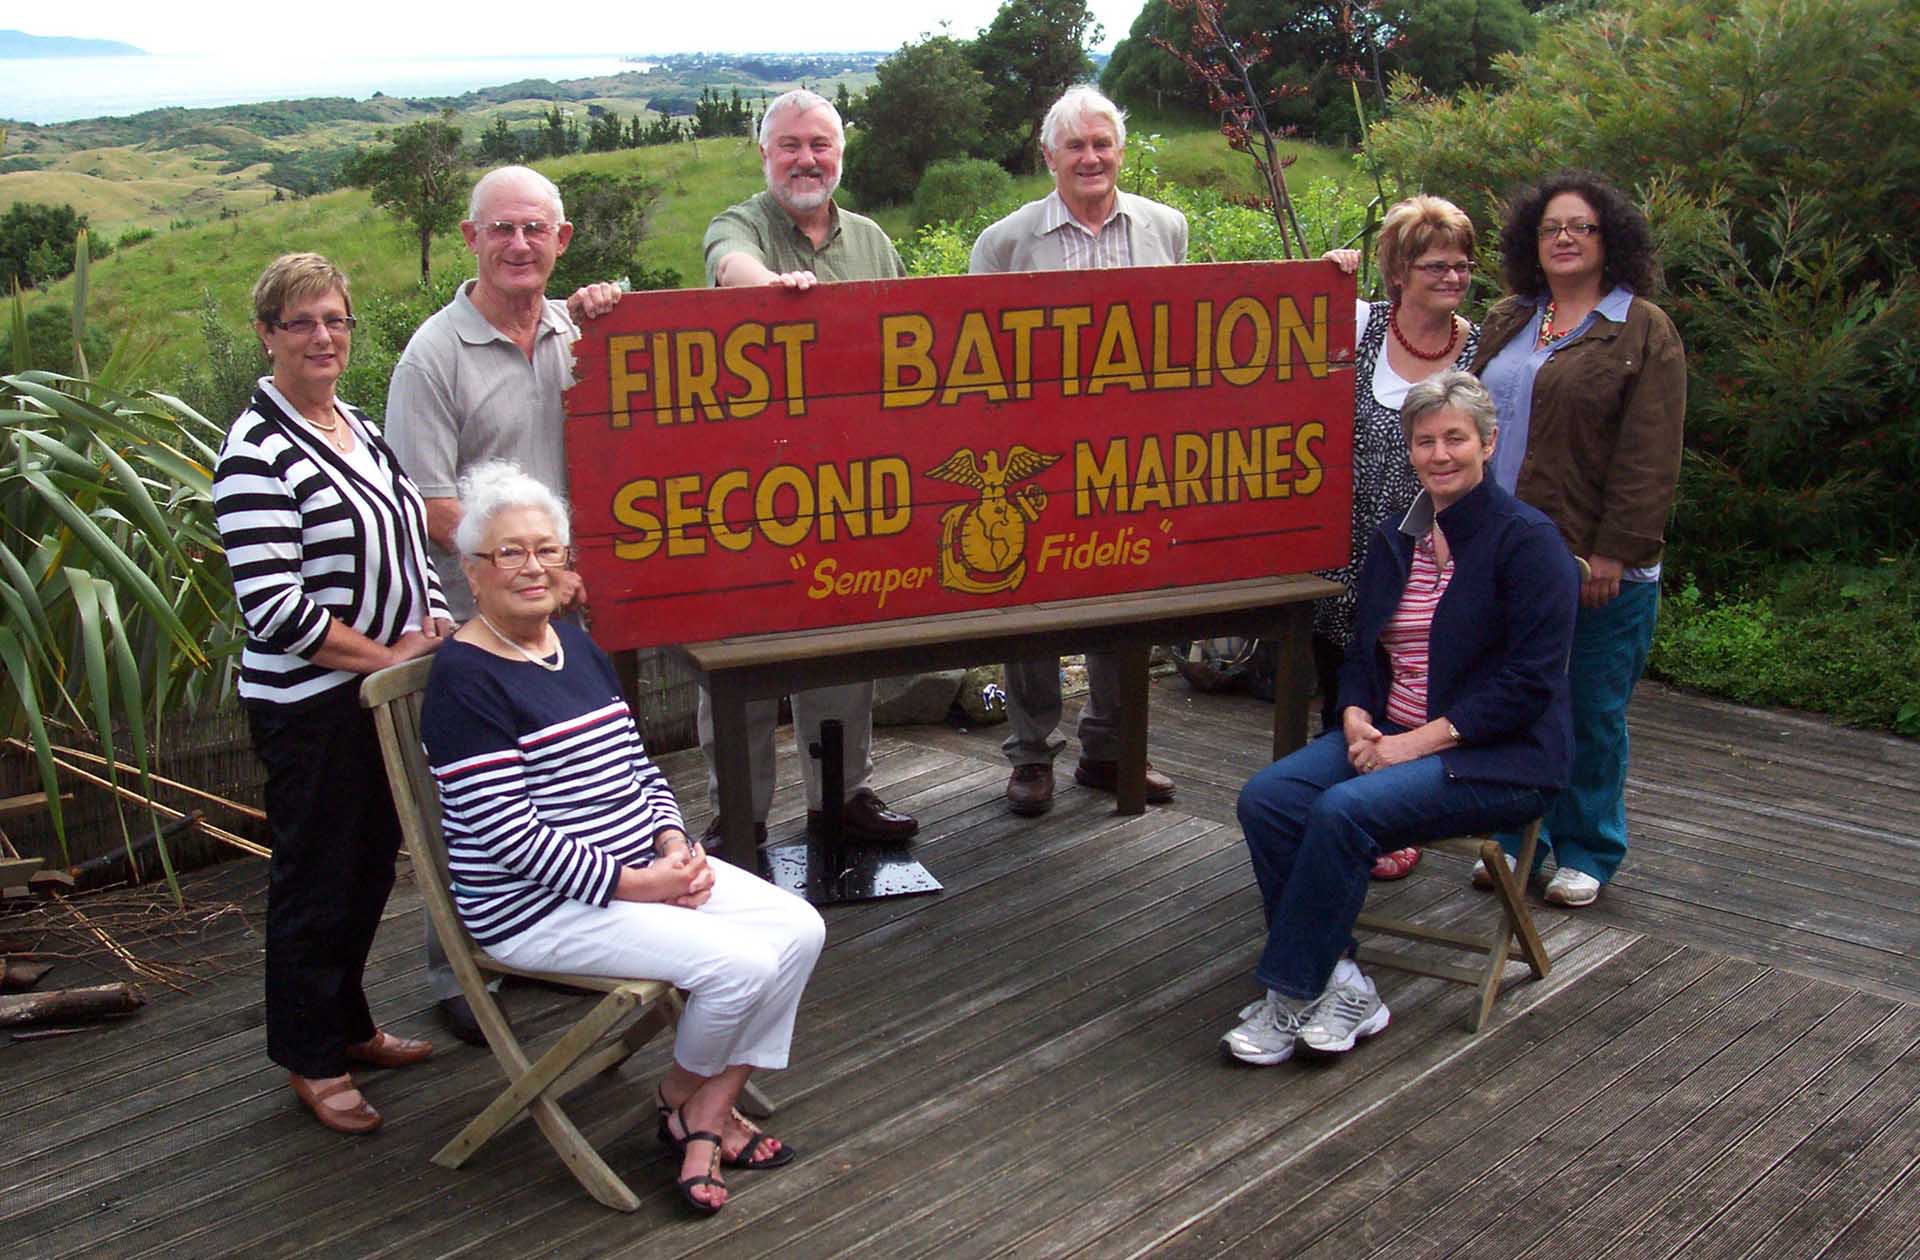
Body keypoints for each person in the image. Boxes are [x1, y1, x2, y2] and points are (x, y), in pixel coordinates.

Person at [420, 462, 824, 1216]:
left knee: (800, 930)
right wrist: (639, 886)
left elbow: (638, 767)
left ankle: (696, 1105)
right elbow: (508, 834)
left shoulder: (575, 647)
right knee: (740, 966)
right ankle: (690, 1110)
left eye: (547, 549)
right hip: (538, 908)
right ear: (472, 572)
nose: (533, 567)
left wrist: (671, 841)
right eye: (509, 552)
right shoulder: (464, 681)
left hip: (640, 870)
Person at [1222, 371, 1577, 1066]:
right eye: (1425, 441)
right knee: (1269, 798)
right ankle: (1343, 982)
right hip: (1388, 734)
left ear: (1488, 443)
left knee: (1344, 812)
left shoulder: (1528, 543)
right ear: (1409, 449)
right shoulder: (1396, 538)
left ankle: (1291, 993)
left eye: (1455, 438)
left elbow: (1529, 684)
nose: (1439, 455)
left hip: (1497, 757)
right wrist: (1355, 714)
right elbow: (1362, 650)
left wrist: (1412, 745)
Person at [213, 252, 453, 1133]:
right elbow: (276, 609)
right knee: (315, 877)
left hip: (377, 696)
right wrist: (388, 657)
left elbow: (408, 538)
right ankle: (310, 1057)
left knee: (367, 867)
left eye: (336, 320)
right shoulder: (255, 452)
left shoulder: (356, 424)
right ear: (267, 335)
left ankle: (348, 1025)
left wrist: (432, 616)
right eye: (302, 322)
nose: (323, 337)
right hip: (310, 708)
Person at [386, 164, 622, 1044]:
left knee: (568, 784)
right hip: (478, 622)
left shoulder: (574, 333)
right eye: (501, 229)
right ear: (470, 239)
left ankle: (561, 940)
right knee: (471, 795)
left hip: (570, 611)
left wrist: (614, 308)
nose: (518, 245)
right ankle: (460, 969)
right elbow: (430, 503)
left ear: (562, 240)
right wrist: (534, 572)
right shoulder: (432, 356)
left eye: (535, 229)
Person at [699, 88, 918, 847]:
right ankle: (741, 813)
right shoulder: (740, 224)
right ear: (765, 154)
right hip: (750, 484)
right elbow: (730, 267)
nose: (806, 159)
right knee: (743, 652)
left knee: (842, 649)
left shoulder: (872, 240)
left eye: (820, 144)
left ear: (840, 154)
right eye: (790, 145)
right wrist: (778, 293)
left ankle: (843, 796)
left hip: (849, 481)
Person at [968, 85, 1187, 818]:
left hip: (1134, 453)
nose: (1090, 158)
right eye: (1075, 146)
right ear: (1049, 156)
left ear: (1120, 151)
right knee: (1030, 601)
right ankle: (1031, 754)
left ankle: (1112, 748)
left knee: (1127, 594)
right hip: (1035, 453)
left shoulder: (1168, 228)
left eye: (1102, 144)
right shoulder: (1003, 243)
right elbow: (977, 362)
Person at [1470, 171, 1686, 908]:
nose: (1563, 238)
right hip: (1503, 557)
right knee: (1507, 698)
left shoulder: (1642, 328)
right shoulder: (1509, 318)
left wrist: (1614, 552)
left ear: (1609, 239)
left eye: (1581, 227)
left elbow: (1650, 455)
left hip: (1592, 561)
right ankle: (1510, 839)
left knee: (1590, 710)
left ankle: (1586, 847)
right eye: (1550, 228)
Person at [1318, 196, 1483, 880]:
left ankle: (1393, 819)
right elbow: (1287, 323)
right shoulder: (1360, 324)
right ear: (1397, 272)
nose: (1453, 277)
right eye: (1435, 265)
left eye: (1462, 265)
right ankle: (1337, 822)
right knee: (1343, 687)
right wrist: (1325, 271)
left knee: (1410, 684)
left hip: (1426, 556)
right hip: (1344, 547)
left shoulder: (1481, 346)